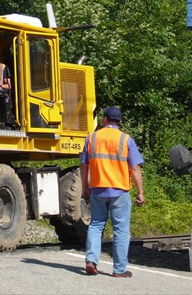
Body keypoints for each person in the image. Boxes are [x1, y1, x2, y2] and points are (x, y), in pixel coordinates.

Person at [80, 106, 145, 278]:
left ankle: (91, 260)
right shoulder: (125, 139)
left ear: (104, 120)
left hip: (98, 190)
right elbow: (135, 168)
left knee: (95, 225)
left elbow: (84, 165)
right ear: (119, 121)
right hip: (120, 191)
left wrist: (84, 187)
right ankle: (119, 269)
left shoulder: (92, 138)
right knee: (121, 231)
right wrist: (140, 192)